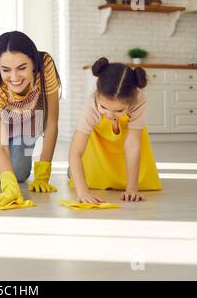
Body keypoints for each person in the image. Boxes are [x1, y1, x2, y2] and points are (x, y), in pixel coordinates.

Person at [0, 31, 61, 206]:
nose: (15, 78)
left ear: (34, 63)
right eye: (6, 70)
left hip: (25, 112)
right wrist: (9, 186)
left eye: (22, 68)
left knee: (20, 173)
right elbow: (0, 145)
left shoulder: (45, 65)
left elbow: (51, 122)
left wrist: (42, 175)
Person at [68, 57, 161, 204]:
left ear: (131, 103)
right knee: (79, 173)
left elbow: (132, 145)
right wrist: (83, 192)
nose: (110, 115)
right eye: (103, 107)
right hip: (97, 155)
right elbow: (75, 152)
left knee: (138, 182)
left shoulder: (139, 100)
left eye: (119, 110)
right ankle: (71, 171)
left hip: (122, 153)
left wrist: (132, 188)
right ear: (97, 95)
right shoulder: (91, 105)